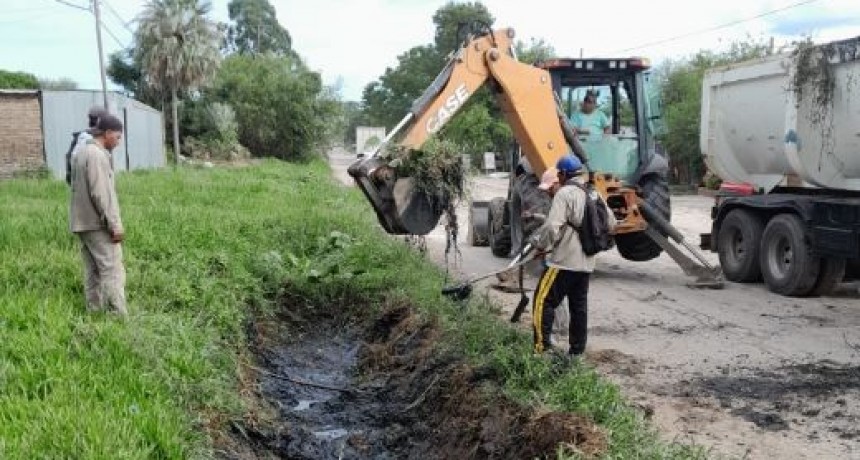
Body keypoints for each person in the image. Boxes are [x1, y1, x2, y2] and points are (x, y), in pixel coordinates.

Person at [529, 154, 616, 358]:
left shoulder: (565, 193)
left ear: (564, 174)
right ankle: (576, 353)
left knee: (543, 300)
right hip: (586, 263)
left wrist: (542, 245)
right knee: (579, 307)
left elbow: (551, 226)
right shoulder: (594, 193)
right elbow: (611, 224)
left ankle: (541, 350)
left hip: (564, 262)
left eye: (559, 173)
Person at [69, 113, 127, 316]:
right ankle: (118, 317)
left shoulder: (82, 152)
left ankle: (94, 313)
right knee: (112, 270)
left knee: (93, 271)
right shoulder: (96, 155)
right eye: (118, 137)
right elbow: (101, 193)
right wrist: (115, 224)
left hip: (82, 223)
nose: (118, 142)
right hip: (96, 223)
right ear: (108, 133)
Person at [65, 106, 107, 185]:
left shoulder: (80, 137)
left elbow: (70, 157)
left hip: (79, 181)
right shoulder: (90, 139)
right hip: (89, 182)